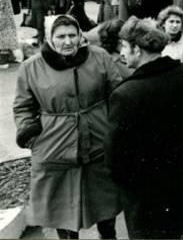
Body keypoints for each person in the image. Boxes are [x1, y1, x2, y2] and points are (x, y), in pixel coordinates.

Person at [13, 15, 122, 239]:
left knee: (105, 203)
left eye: (72, 35)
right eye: (60, 36)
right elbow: (22, 107)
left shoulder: (99, 57)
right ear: (50, 38)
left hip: (98, 141)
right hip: (55, 146)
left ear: (80, 35)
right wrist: (31, 134)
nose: (68, 42)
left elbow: (118, 94)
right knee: (62, 211)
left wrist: (114, 128)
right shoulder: (31, 67)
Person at [105, 16, 183, 239]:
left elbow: (116, 159)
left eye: (124, 46)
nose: (122, 53)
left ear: (138, 49)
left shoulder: (125, 95)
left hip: (148, 204)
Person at [0, 0, 18, 67]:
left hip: (2, 18)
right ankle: (10, 58)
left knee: (3, 40)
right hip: (6, 17)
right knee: (6, 39)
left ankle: (3, 62)